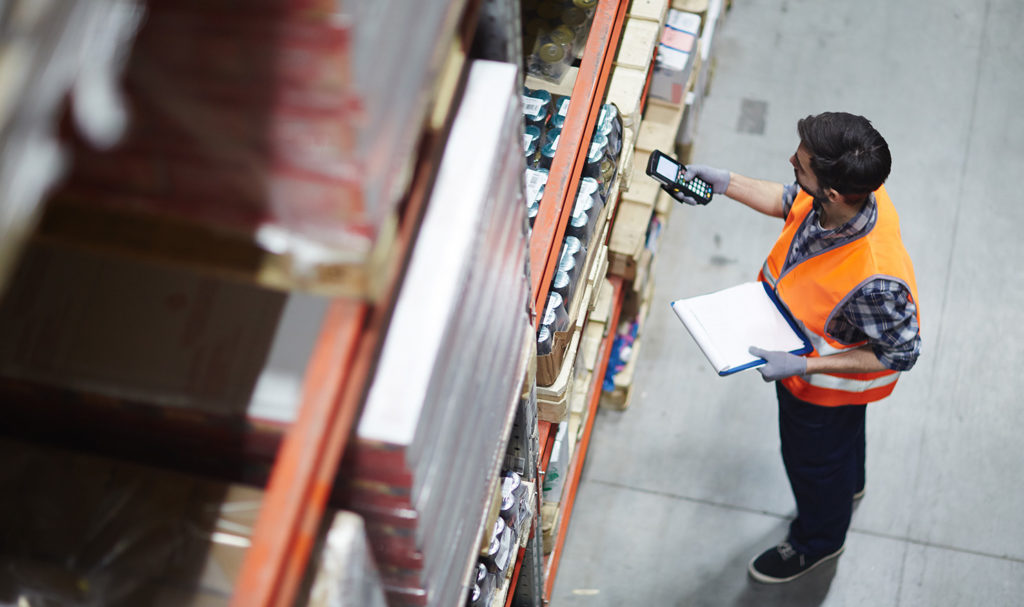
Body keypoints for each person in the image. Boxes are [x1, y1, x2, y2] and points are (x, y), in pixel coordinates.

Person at [681, 112, 921, 583]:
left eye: (801, 164)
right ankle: (849, 485)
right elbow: (791, 200)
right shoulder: (850, 196)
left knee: (813, 465)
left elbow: (902, 352)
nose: (791, 162)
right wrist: (727, 183)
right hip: (820, 386)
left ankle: (819, 541)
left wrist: (805, 365)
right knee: (841, 455)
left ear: (832, 192)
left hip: (821, 393)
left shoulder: (875, 280)